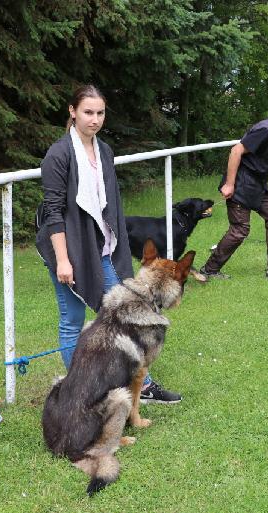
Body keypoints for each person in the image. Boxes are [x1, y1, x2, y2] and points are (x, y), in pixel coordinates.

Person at [35, 84, 181, 404]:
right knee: (72, 320)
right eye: (88, 112)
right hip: (68, 250)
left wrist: (117, 245)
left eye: (100, 113)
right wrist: (63, 260)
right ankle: (78, 391)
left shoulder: (104, 151)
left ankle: (141, 385)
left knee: (125, 315)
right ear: (72, 112)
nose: (95, 119)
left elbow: (109, 204)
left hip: (101, 248)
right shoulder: (58, 155)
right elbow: (54, 213)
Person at [199, 97, 268, 280]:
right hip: (242, 184)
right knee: (240, 230)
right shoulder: (265, 129)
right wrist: (229, 184)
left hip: (258, 186)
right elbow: (236, 151)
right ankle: (210, 270)